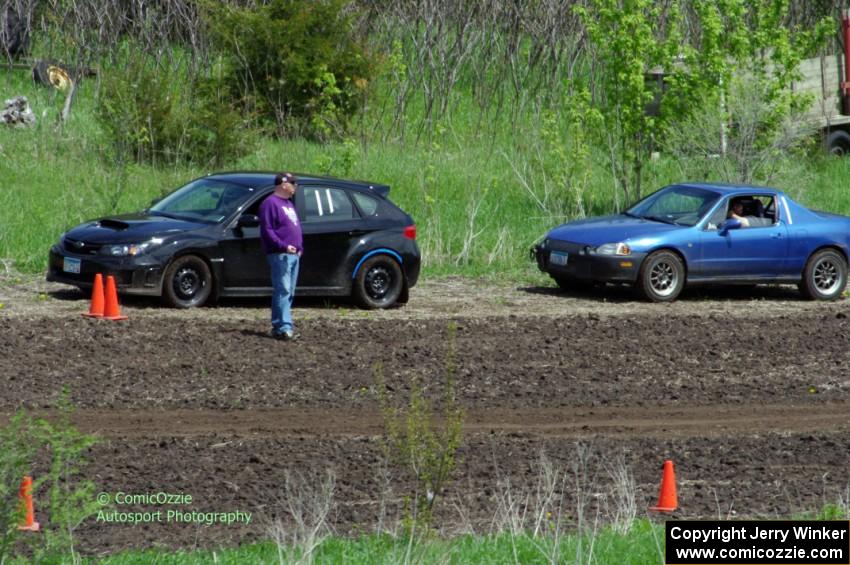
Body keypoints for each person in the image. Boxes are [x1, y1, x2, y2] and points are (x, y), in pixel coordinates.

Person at [259, 172, 303, 341]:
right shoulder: (270, 203)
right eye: (293, 183)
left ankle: (280, 327)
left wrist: (300, 247)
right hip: (280, 254)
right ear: (283, 184)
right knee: (283, 289)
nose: (295, 186)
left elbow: (294, 227)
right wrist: (283, 246)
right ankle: (284, 327)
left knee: (289, 291)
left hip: (294, 254)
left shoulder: (289, 204)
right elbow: (267, 230)